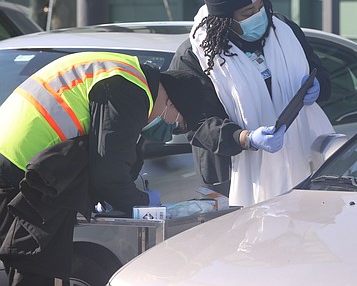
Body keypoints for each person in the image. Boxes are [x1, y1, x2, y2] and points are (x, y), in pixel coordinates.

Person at [0, 51, 206, 285]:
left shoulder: (126, 74)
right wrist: (141, 202)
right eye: (177, 125)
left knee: (30, 262)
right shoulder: (129, 90)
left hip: (17, 153)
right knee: (35, 265)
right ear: (171, 104)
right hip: (21, 165)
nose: (170, 133)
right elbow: (110, 174)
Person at [172, 0, 334, 207]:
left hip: (300, 163)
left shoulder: (284, 31)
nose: (258, 15)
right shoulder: (195, 56)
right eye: (248, 13)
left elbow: (323, 75)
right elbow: (197, 124)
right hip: (231, 175)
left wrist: (318, 85)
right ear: (224, 20)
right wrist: (244, 138)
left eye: (260, 6)